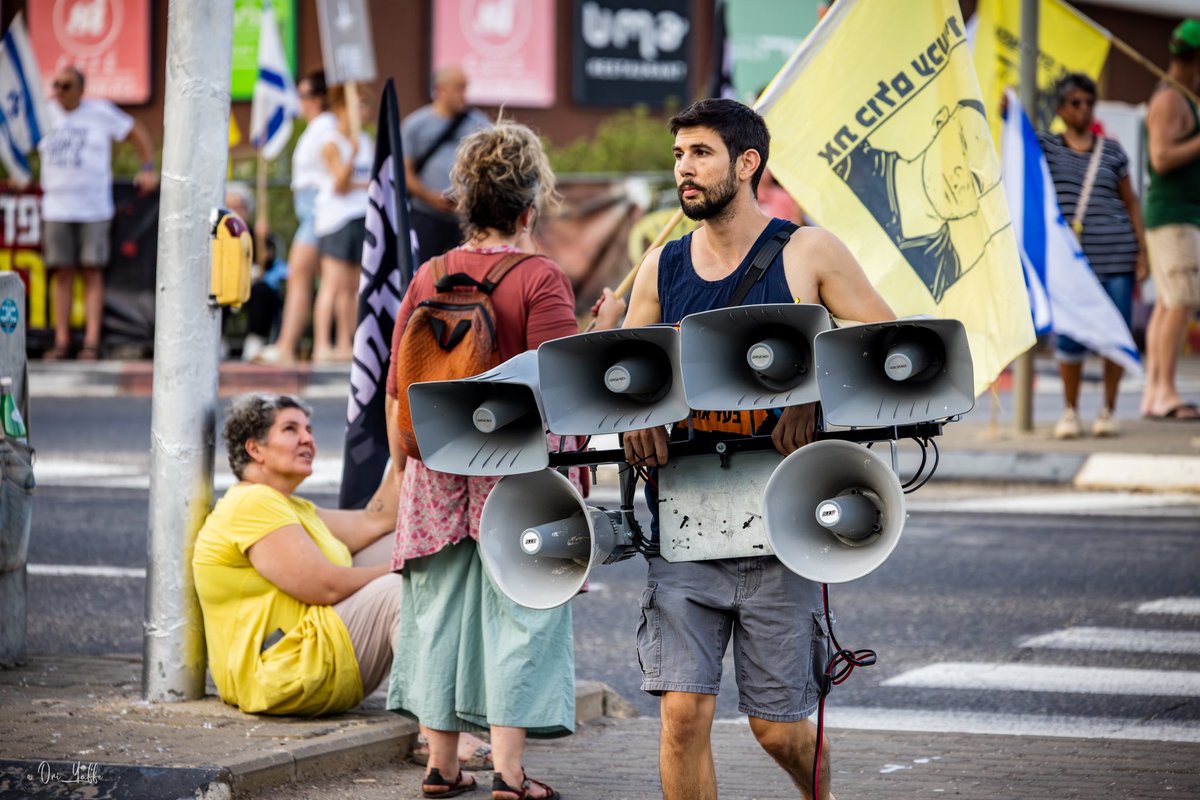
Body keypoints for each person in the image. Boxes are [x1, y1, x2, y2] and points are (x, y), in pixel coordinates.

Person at [616, 98, 895, 800]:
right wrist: (634, 420)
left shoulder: (809, 252)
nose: (684, 168)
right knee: (683, 713)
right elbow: (615, 379)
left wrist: (816, 397)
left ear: (747, 164)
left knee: (778, 729)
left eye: (701, 153)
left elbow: (892, 351)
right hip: (685, 519)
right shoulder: (660, 265)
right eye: (679, 155)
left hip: (785, 520)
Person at [384, 120, 577, 800]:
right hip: (516, 470)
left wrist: (404, 467)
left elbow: (396, 388)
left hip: (437, 466)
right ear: (529, 208)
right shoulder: (539, 278)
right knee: (520, 610)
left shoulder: (428, 276)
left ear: (464, 202)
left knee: (437, 610)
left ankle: (440, 766)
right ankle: (510, 772)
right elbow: (564, 389)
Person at [192, 393, 402, 716]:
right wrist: (401, 569)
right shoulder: (251, 504)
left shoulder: (290, 505)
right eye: (290, 429)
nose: (308, 439)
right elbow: (324, 587)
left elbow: (377, 520)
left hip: (316, 655)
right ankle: (436, 733)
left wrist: (406, 435)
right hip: (284, 671)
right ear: (255, 449)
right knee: (401, 590)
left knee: (404, 542)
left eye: (309, 429)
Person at [1038, 73, 1148, 439]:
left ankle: (1109, 409)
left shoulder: (1112, 150)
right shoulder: (1047, 146)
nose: (1083, 109)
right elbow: (1017, 151)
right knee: (1070, 336)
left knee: (1114, 332)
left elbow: (1131, 201)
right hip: (1072, 264)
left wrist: (1142, 251)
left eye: (1088, 102)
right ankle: (1070, 412)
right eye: (1075, 102)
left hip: (1116, 253)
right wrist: (1009, 112)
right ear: (1060, 109)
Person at [38, 66, 158, 361]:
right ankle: (62, 341)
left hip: (93, 207)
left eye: (66, 86)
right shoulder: (43, 112)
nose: (60, 91)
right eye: (57, 84)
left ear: (81, 89)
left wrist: (147, 169)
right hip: (56, 206)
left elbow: (136, 133)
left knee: (92, 271)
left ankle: (91, 343)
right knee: (61, 273)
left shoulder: (99, 111)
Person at [1141, 19, 1200, 421]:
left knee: (1168, 303)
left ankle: (1154, 393)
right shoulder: (1169, 101)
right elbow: (1161, 159)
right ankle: (1163, 392)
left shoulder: (1182, 97)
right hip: (1173, 216)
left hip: (1178, 215)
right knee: (1181, 301)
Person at [259, 70, 334, 366]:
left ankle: (290, 346)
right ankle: (296, 345)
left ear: (319, 98)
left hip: (318, 210)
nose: (300, 102)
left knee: (305, 277)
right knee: (317, 280)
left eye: (304, 95)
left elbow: (331, 173)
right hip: (314, 210)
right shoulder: (320, 127)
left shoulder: (326, 128)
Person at [402, 65, 491, 265]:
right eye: (459, 88)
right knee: (423, 269)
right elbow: (404, 171)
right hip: (426, 213)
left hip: (466, 215)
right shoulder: (415, 125)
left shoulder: (480, 124)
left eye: (465, 88)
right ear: (440, 89)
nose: (464, 95)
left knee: (468, 271)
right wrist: (428, 196)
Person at [311, 84, 373, 363]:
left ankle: (345, 343)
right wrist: (351, 156)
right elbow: (340, 183)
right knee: (332, 284)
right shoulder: (331, 141)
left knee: (352, 287)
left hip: (361, 215)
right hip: (336, 218)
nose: (362, 111)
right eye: (356, 105)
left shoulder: (365, 141)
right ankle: (322, 343)